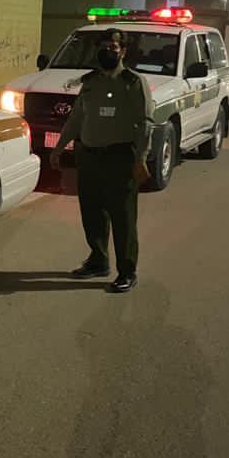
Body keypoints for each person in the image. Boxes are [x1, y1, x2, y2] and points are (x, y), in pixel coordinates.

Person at [50, 30, 153, 294]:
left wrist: (141, 158)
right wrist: (59, 147)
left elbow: (145, 123)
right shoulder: (90, 82)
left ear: (123, 51)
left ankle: (127, 271)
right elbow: (76, 119)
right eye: (104, 46)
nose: (108, 51)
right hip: (89, 157)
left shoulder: (134, 82)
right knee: (92, 212)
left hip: (120, 158)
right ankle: (98, 260)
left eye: (114, 47)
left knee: (122, 217)